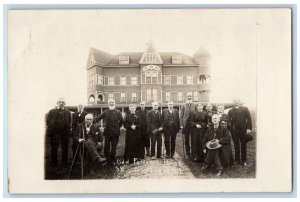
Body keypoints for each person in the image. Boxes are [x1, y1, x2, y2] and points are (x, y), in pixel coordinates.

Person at [93, 99, 124, 166]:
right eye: (110, 102)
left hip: (115, 133)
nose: (111, 103)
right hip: (107, 132)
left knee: (113, 147)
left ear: (114, 103)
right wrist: (91, 121)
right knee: (106, 147)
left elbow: (122, 121)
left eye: (112, 102)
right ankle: (107, 160)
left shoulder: (118, 112)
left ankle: (113, 160)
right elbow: (99, 117)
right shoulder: (106, 112)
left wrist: (117, 127)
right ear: (108, 104)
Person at [46, 98, 72, 168]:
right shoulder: (51, 111)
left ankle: (64, 163)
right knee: (54, 148)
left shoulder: (68, 112)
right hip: (55, 133)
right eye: (60, 102)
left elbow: (69, 122)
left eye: (63, 102)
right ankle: (53, 164)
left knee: (65, 148)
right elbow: (48, 121)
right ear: (57, 103)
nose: (61, 103)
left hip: (65, 133)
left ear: (65, 104)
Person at [227, 98, 252, 166]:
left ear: (240, 102)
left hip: (243, 130)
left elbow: (249, 119)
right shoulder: (231, 111)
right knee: (236, 145)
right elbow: (228, 120)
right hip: (234, 131)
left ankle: (243, 160)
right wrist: (230, 127)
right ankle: (237, 160)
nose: (236, 102)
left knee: (243, 144)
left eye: (237, 101)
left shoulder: (245, 109)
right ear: (233, 102)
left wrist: (249, 128)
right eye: (235, 101)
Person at [180, 94, 196, 159]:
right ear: (186, 98)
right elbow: (181, 116)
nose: (189, 98)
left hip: (192, 124)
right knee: (186, 139)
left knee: (193, 139)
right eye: (188, 97)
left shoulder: (194, 105)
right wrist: (181, 125)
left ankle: (193, 153)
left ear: (191, 98)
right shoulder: (183, 105)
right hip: (186, 125)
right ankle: (187, 153)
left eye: (190, 96)